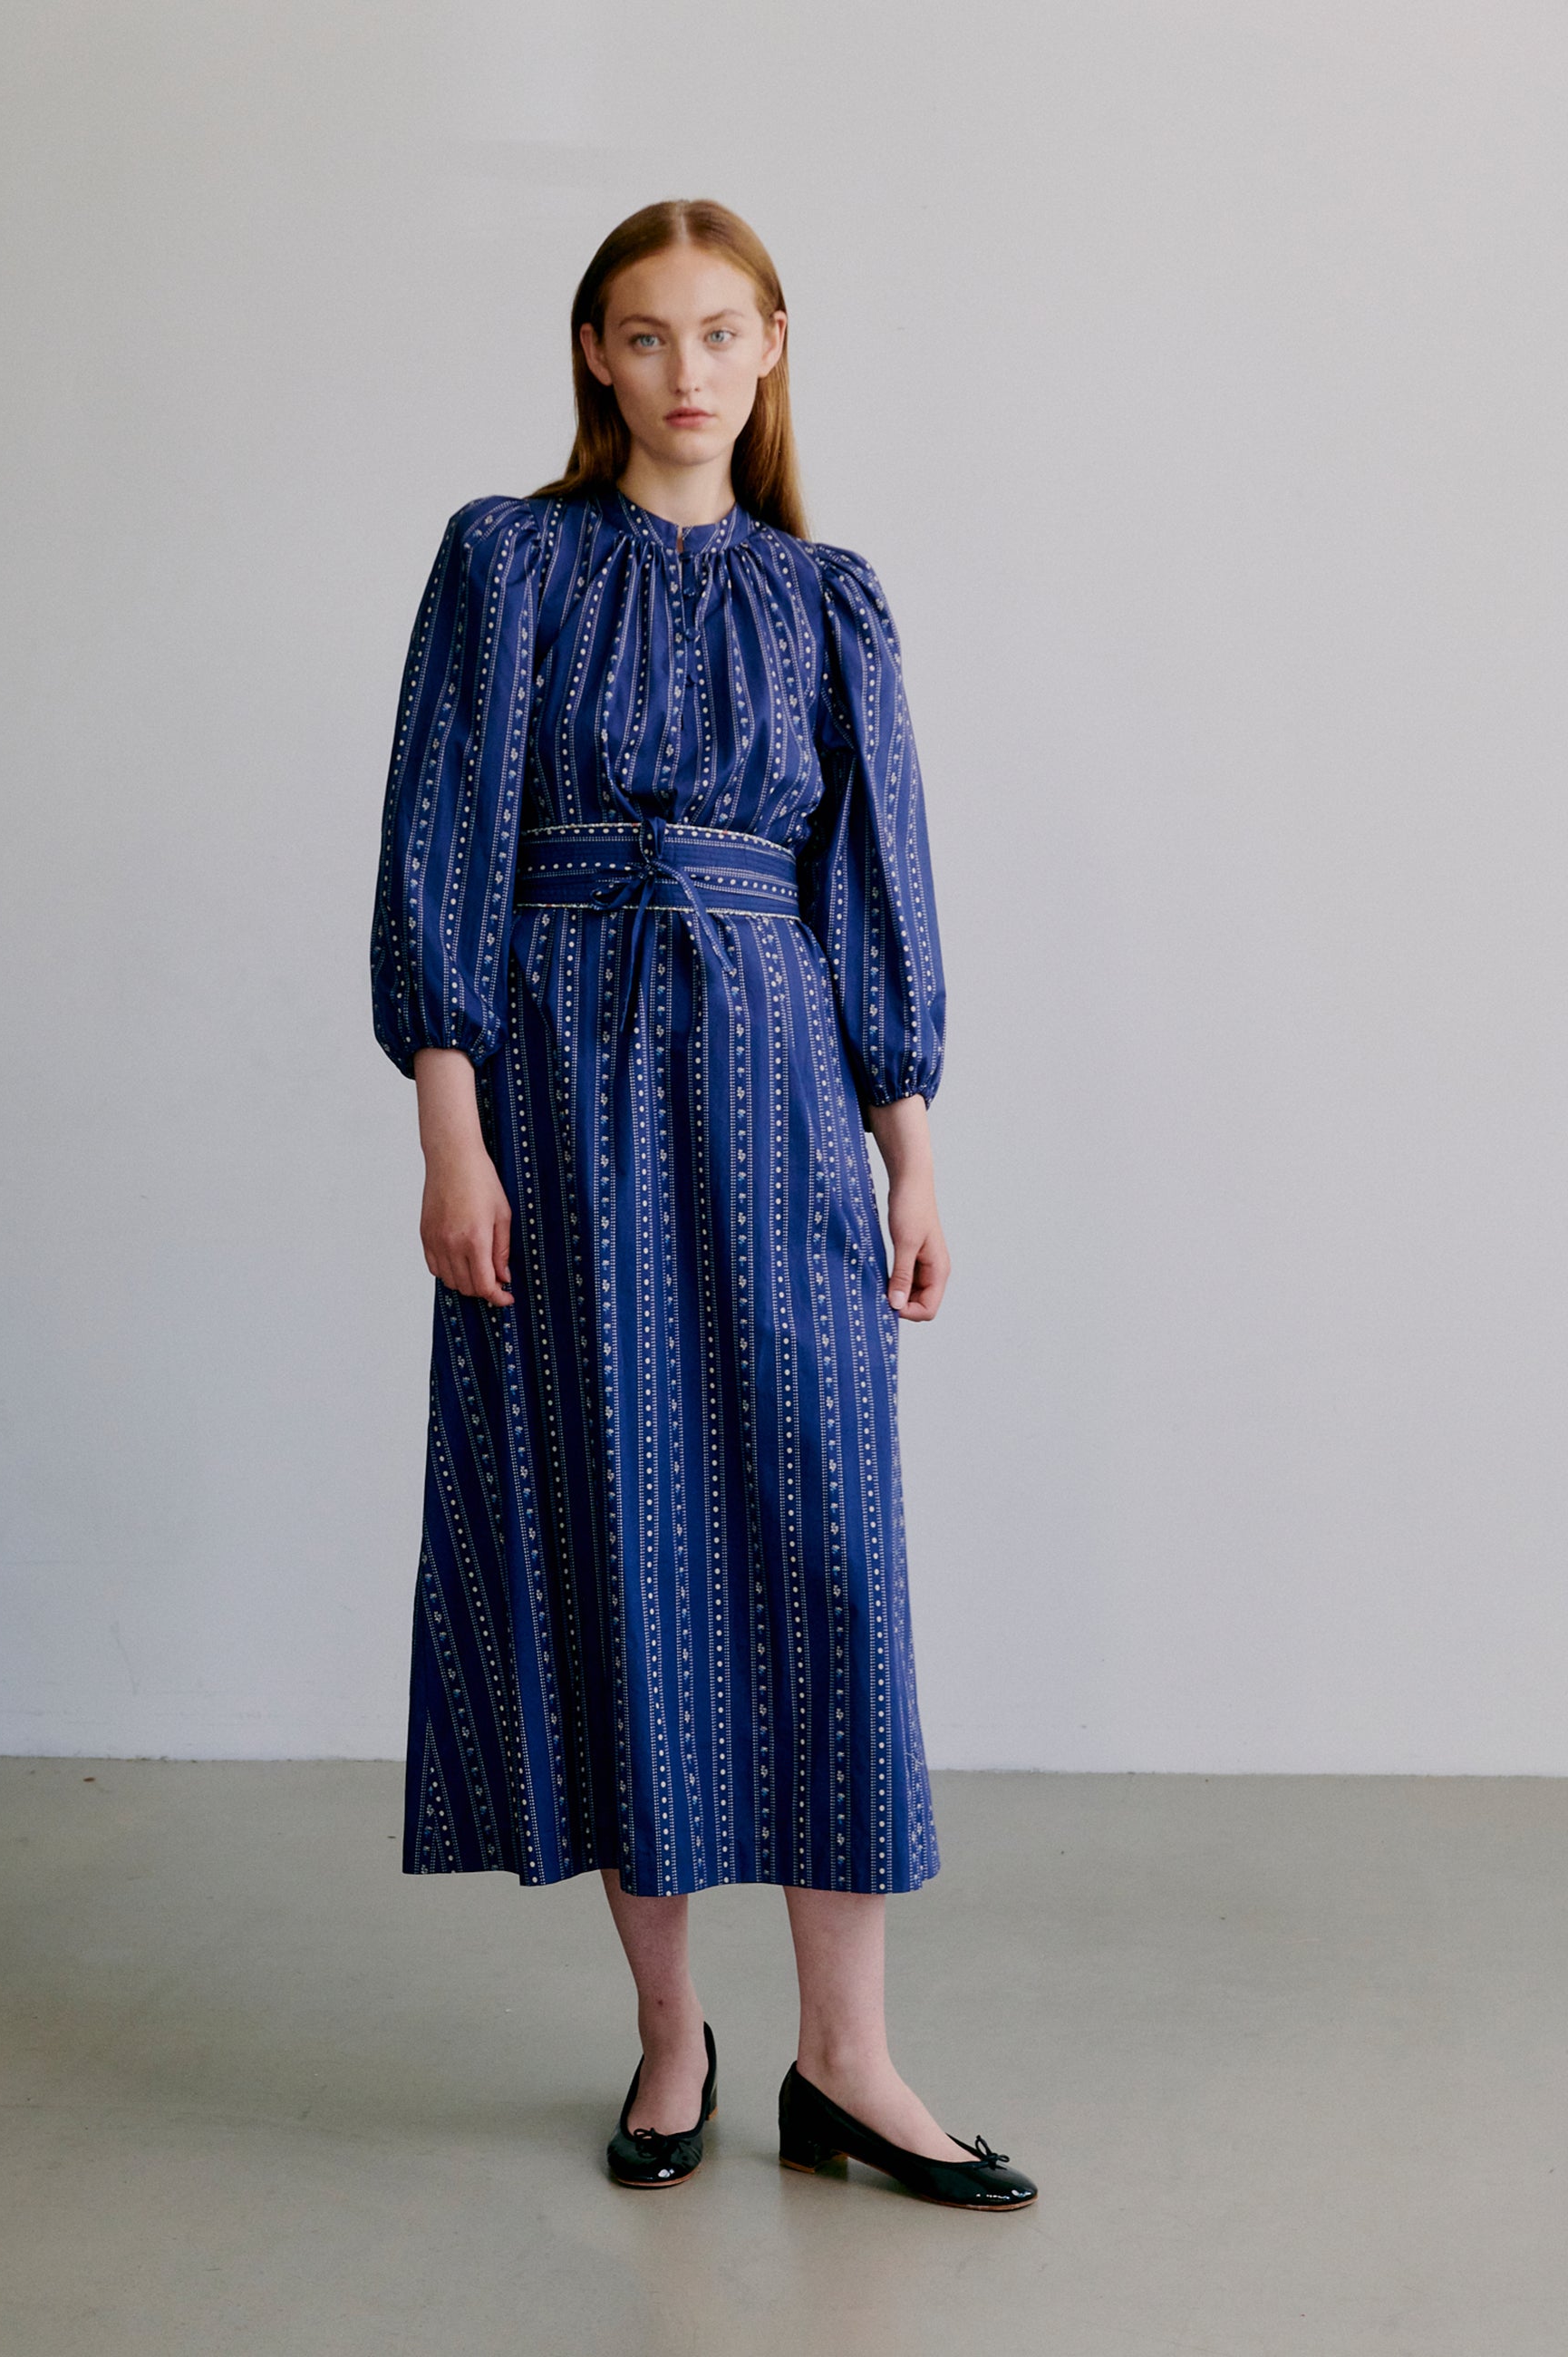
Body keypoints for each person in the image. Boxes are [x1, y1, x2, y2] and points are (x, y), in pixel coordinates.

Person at [371, 198, 1035, 2212]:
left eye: (719, 333)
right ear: (593, 352)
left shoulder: (828, 601)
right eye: (643, 334)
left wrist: (910, 1145)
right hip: (560, 1097)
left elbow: (872, 889)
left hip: (774, 1091)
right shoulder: (510, 563)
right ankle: (673, 2038)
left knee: (826, 1551)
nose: (682, 370)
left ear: (769, 351)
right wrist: (449, 1127)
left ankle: (850, 2059)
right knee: (619, 1539)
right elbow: (440, 844)